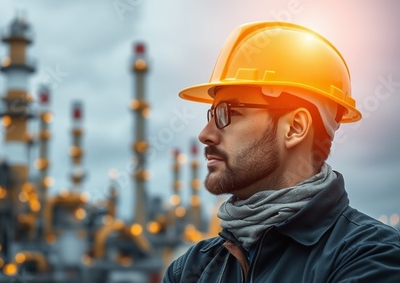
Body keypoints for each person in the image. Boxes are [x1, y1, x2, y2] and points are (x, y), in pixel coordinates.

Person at [164, 21, 400, 282]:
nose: (205, 134)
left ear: (295, 128)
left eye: (228, 113)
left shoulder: (369, 256)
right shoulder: (189, 269)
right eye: (211, 114)